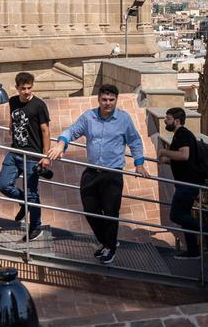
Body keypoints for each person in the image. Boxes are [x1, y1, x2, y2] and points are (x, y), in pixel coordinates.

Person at [47, 84, 149, 266]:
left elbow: (135, 141)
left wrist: (139, 164)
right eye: (104, 99)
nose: (107, 103)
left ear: (116, 100)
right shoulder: (89, 117)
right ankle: (108, 241)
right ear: (98, 100)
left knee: (110, 213)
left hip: (112, 174)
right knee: (90, 211)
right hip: (91, 172)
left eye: (111, 100)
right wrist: (61, 144)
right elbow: (71, 131)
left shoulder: (124, 119)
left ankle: (110, 247)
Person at [155, 107, 208, 259]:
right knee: (184, 215)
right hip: (187, 182)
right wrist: (168, 160)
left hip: (188, 183)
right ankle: (193, 250)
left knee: (176, 215)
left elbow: (184, 155)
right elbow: (184, 159)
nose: (165, 121)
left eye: (168, 119)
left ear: (176, 121)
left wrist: (164, 152)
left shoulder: (182, 134)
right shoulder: (182, 134)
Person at [0, 72, 51, 242]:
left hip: (32, 156)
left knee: (32, 193)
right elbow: (12, 118)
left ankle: (36, 227)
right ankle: (24, 202)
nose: (26, 92)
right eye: (23, 89)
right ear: (17, 88)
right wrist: (10, 128)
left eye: (29, 88)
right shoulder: (13, 101)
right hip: (15, 152)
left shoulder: (39, 105)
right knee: (4, 185)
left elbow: (45, 131)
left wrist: (45, 156)